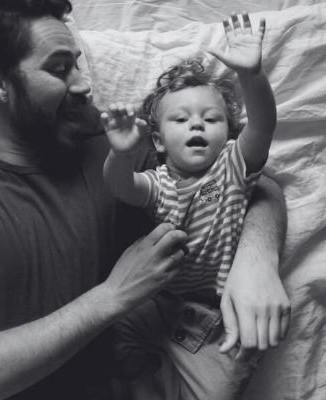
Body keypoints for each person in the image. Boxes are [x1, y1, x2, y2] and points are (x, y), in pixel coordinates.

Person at [0, 1, 289, 400]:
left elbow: (247, 183)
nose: (83, 85)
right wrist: (115, 294)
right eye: (59, 69)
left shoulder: (111, 148)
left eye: (78, 65)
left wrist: (257, 259)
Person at [101, 11, 287, 400]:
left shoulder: (232, 167)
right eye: (181, 119)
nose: (197, 125)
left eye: (211, 119)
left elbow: (263, 125)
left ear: (229, 132)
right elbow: (122, 187)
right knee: (121, 338)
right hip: (158, 301)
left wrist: (252, 75)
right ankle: (137, 379)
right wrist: (120, 154)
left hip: (216, 315)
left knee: (218, 390)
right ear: (158, 142)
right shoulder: (159, 183)